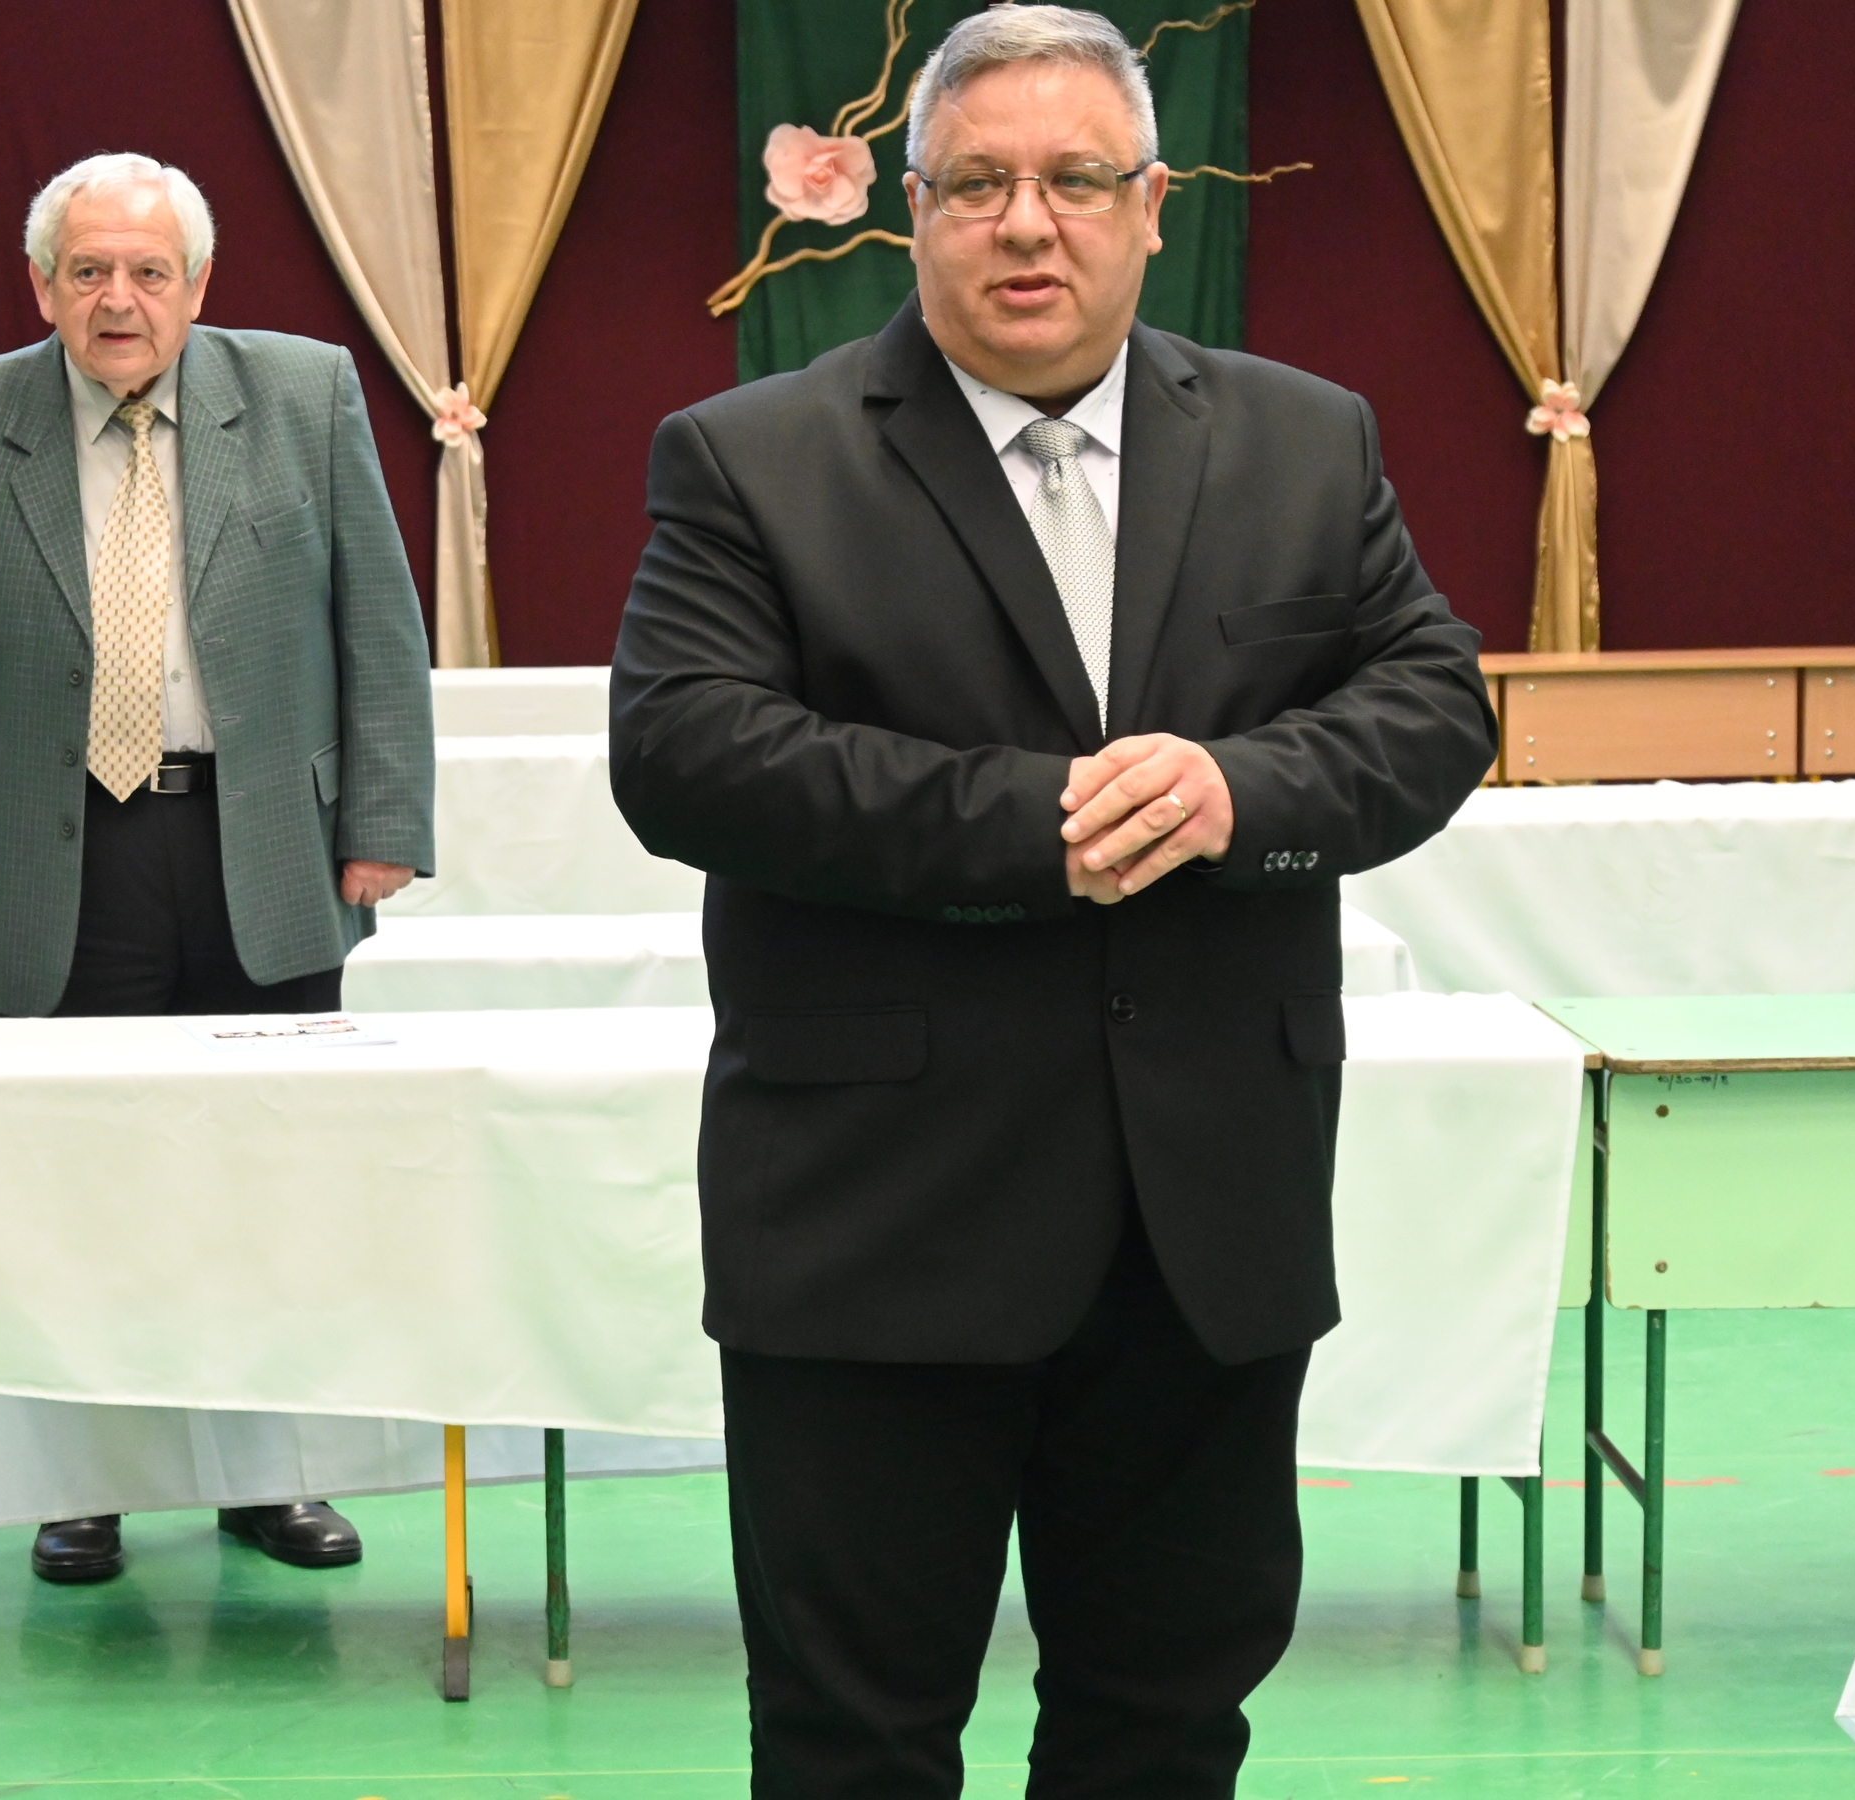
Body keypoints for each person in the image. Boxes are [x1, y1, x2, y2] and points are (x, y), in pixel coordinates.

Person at [608, 10, 1496, 1796]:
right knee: (854, 1744)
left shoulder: (1305, 441)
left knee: (1163, 1732)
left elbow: (1431, 706)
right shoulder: (751, 457)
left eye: (1078, 180)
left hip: (1202, 1236)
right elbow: (688, 753)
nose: (1031, 223)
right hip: (877, 1233)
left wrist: (1240, 791)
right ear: (912, 212)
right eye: (980, 184)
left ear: (1153, 206)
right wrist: (1037, 827)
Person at [0, 151, 436, 1583]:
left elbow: (378, 623)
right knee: (81, 1183)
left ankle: (269, 1480)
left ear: (198, 284)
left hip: (265, 844)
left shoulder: (305, 395)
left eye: (148, 271)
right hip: (57, 861)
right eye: (88, 272)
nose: (117, 299)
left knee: (273, 1173)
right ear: (41, 287)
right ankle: (87, 1489)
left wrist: (383, 819)